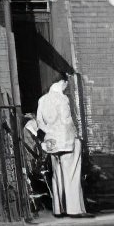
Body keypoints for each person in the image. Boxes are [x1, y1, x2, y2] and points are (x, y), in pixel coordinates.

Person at [36, 73, 89, 218]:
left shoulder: (42, 99)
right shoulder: (62, 98)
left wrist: (50, 131)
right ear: (61, 82)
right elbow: (67, 121)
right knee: (71, 173)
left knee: (57, 174)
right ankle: (73, 209)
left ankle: (59, 209)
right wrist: (76, 135)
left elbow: (39, 121)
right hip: (65, 139)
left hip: (51, 141)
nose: (66, 87)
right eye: (66, 84)